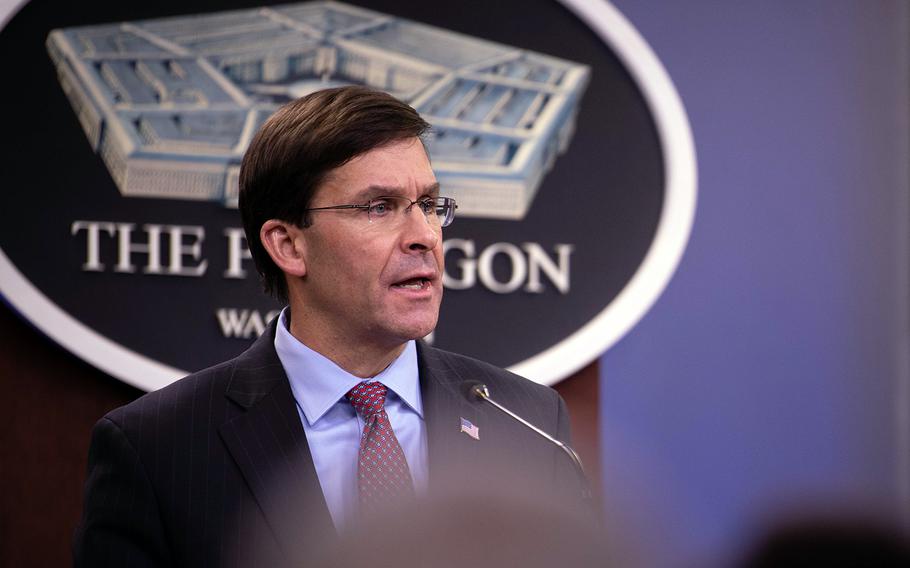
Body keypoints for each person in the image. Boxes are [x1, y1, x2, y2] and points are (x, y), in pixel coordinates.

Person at [73, 86, 586, 567]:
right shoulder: (157, 448)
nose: (424, 236)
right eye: (379, 207)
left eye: (429, 205)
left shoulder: (531, 426)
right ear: (288, 245)